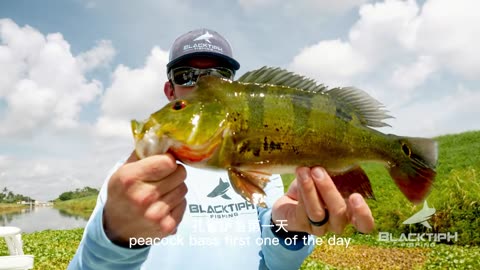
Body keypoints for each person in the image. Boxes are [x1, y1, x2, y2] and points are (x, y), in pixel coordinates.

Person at [68, 28, 374, 270]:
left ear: (232, 86)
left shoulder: (259, 166)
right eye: (186, 75)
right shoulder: (126, 181)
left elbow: (274, 262)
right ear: (169, 91)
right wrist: (118, 238)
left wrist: (288, 230)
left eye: (217, 76)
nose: (202, 85)